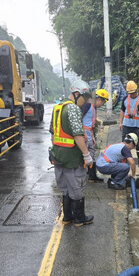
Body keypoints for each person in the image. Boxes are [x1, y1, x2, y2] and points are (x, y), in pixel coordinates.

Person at [50, 79, 94, 226]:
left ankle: (67, 216)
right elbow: (77, 135)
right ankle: (79, 217)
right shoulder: (73, 109)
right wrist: (87, 155)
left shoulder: (58, 108)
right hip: (72, 158)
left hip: (59, 156)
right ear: (76, 94)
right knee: (76, 185)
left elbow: (53, 134)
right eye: (84, 97)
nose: (85, 101)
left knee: (65, 187)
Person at [81, 89, 109, 183]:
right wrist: (83, 133)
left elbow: (90, 124)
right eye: (103, 102)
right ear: (99, 100)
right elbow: (79, 118)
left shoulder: (94, 107)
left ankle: (92, 176)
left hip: (89, 134)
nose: (102, 105)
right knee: (85, 155)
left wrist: (92, 135)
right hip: (84, 135)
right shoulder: (87, 105)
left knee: (92, 155)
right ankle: (86, 175)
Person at [118, 80, 139, 169]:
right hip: (127, 124)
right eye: (130, 93)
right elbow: (122, 111)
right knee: (125, 143)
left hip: (137, 125)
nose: (131, 94)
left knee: (138, 144)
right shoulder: (125, 98)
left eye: (133, 92)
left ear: (136, 90)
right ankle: (124, 160)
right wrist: (120, 123)